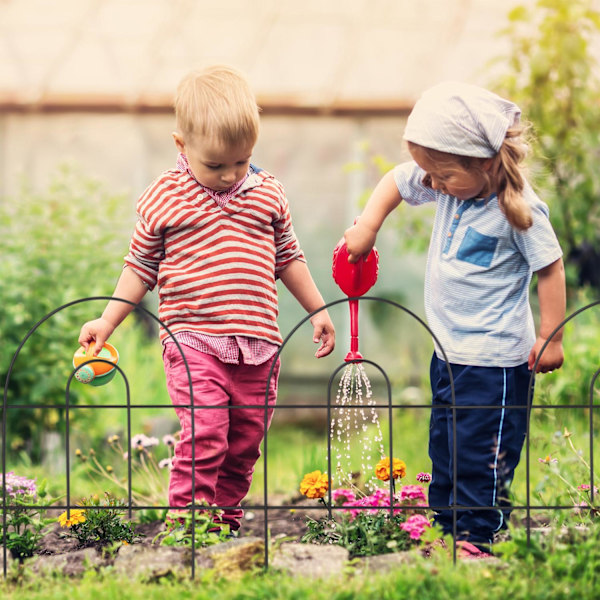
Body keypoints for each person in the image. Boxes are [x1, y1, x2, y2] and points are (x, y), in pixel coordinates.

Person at [78, 65, 335, 533]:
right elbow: (139, 267)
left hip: (258, 344)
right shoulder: (165, 196)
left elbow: (289, 257)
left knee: (244, 440)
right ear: (182, 145)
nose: (229, 175)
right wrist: (107, 321)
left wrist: (318, 310)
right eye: (215, 165)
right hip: (193, 339)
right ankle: (188, 525)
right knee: (207, 431)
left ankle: (225, 519)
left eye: (241, 161)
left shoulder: (268, 194)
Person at [343, 81, 565, 557]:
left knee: (480, 453)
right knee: (445, 445)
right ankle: (446, 529)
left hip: (496, 359)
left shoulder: (520, 209)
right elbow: (395, 182)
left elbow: (550, 267)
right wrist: (366, 226)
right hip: (449, 352)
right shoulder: (449, 184)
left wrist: (551, 334)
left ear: (483, 162)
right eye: (431, 174)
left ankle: (478, 537)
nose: (433, 184)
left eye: (442, 175)